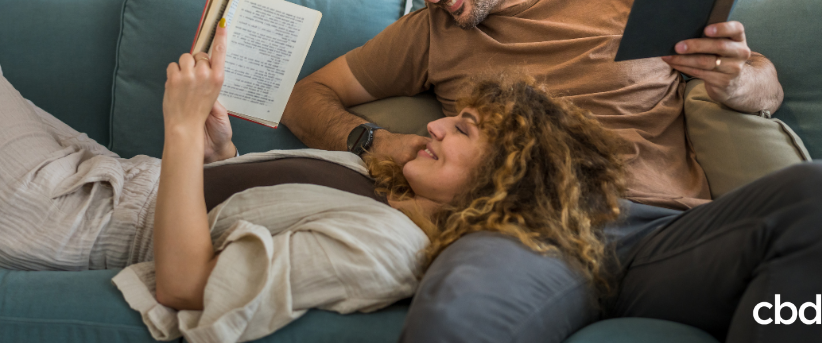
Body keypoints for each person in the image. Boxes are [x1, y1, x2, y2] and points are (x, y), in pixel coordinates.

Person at [281, 0, 822, 342]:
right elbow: (307, 94)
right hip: (526, 238)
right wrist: (372, 141)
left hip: (665, 236)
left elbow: (765, 83)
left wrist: (738, 83)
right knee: (457, 319)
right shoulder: (431, 31)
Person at [0, 20, 630, 341]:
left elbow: (187, 284)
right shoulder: (394, 194)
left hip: (76, 215)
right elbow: (241, 213)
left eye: (462, 131)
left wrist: (183, 129)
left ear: (500, 184)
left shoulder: (384, 249)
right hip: (111, 174)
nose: (437, 128)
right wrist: (219, 148)